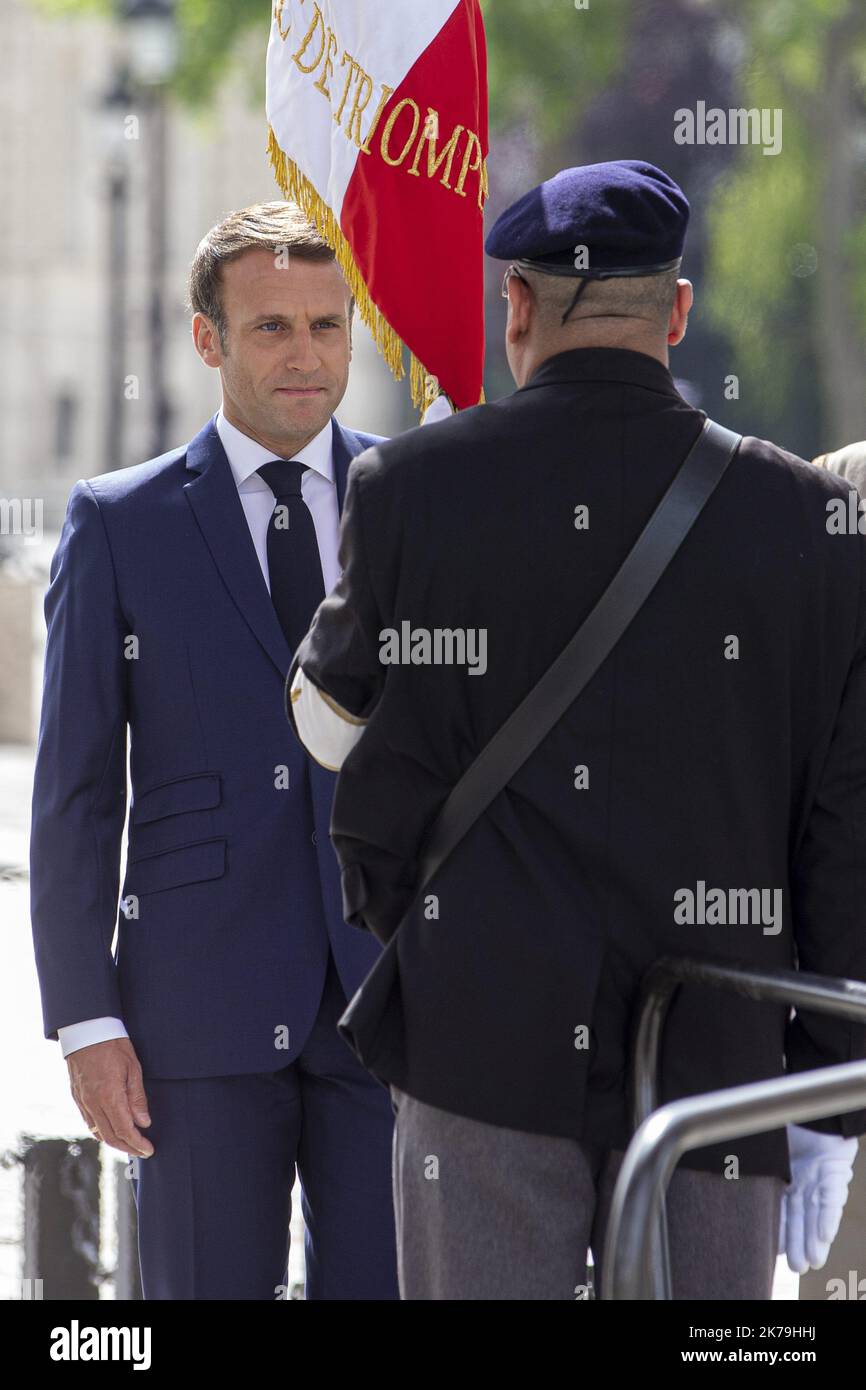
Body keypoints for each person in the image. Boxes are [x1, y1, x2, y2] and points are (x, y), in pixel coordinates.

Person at [286, 162, 866, 1300]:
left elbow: (323, 727)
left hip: (482, 1032)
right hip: (719, 1059)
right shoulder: (809, 518)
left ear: (515, 309)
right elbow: (843, 826)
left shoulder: (408, 486)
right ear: (678, 311)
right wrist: (830, 1099)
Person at [30, 201, 399, 1300]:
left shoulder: (419, 504)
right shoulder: (119, 522)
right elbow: (76, 796)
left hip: (387, 1009)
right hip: (190, 1017)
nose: (306, 354)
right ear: (208, 340)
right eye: (271, 326)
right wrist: (86, 1016)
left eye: (328, 326)